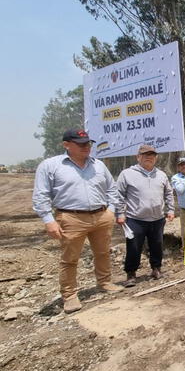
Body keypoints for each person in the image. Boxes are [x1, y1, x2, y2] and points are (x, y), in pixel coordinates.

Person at [32, 128, 122, 314]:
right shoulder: (50, 166)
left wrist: (111, 211)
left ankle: (104, 282)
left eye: (88, 143)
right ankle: (70, 295)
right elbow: (41, 196)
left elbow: (112, 189)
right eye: (80, 144)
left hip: (101, 215)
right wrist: (49, 221)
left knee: (103, 252)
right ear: (66, 145)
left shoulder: (98, 165)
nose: (86, 147)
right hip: (71, 218)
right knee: (70, 259)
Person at [116, 144, 175, 287]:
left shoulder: (161, 175)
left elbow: (168, 193)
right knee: (134, 247)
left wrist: (171, 209)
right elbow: (118, 195)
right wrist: (119, 213)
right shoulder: (127, 174)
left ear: (156, 158)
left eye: (152, 155)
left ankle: (156, 269)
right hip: (135, 219)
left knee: (157, 245)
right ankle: (131, 274)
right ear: (138, 157)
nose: (149, 157)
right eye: (145, 155)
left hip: (157, 218)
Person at [171, 157, 185, 248]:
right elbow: (180, 190)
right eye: (181, 165)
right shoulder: (175, 178)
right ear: (178, 168)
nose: (184, 166)